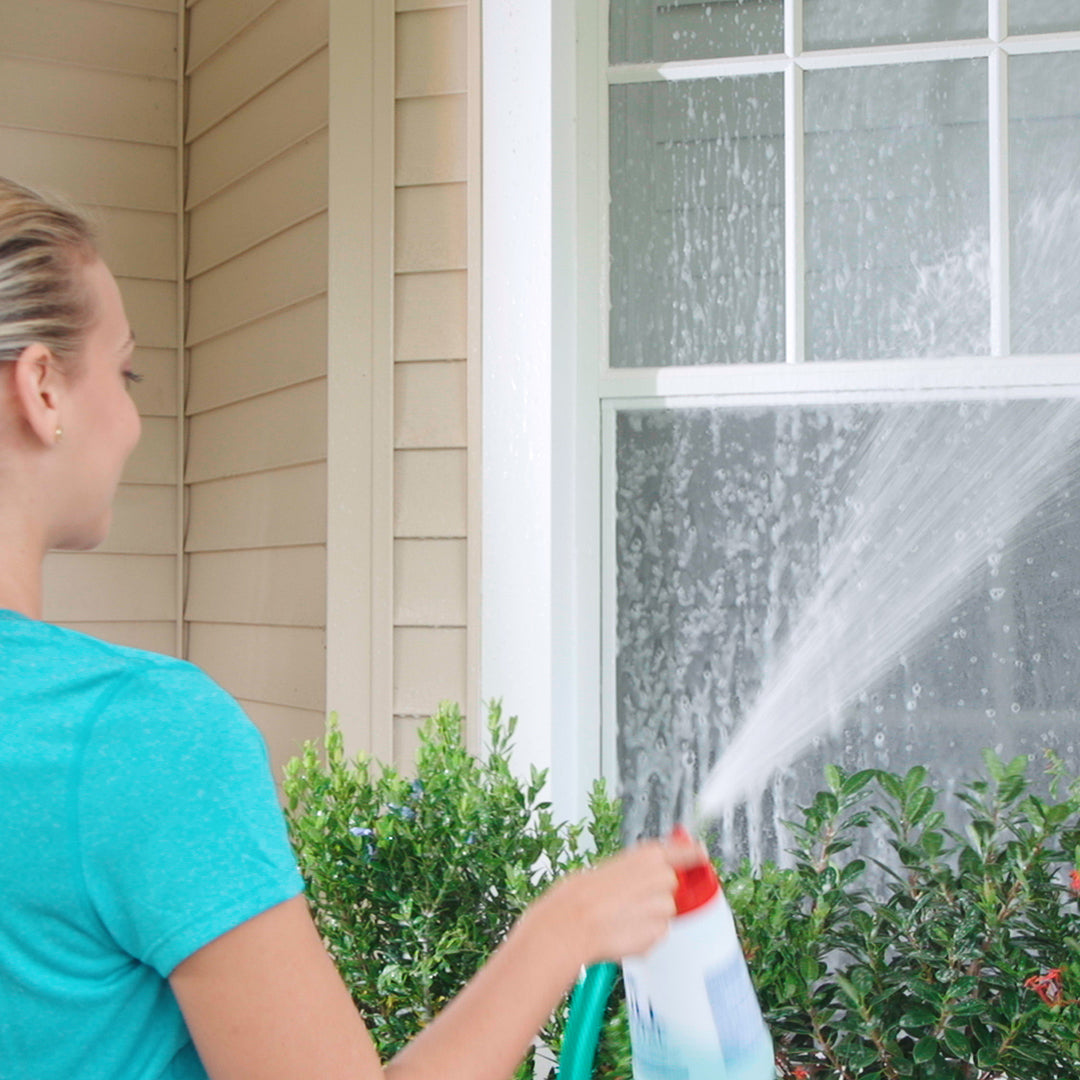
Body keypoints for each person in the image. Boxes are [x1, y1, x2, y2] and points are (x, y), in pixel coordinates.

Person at [0, 175, 702, 1080]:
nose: (133, 421)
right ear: (43, 388)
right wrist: (561, 931)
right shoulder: (134, 736)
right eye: (125, 372)